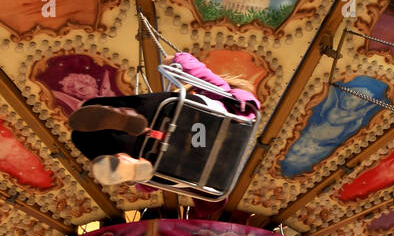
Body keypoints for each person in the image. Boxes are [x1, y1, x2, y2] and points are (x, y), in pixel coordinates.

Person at [68, 51, 259, 202]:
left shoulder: (230, 99)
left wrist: (175, 59)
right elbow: (203, 204)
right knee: (82, 138)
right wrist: (142, 184)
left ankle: (126, 118)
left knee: (84, 122)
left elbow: (195, 70)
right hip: (174, 164)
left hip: (180, 114)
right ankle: (132, 163)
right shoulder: (220, 177)